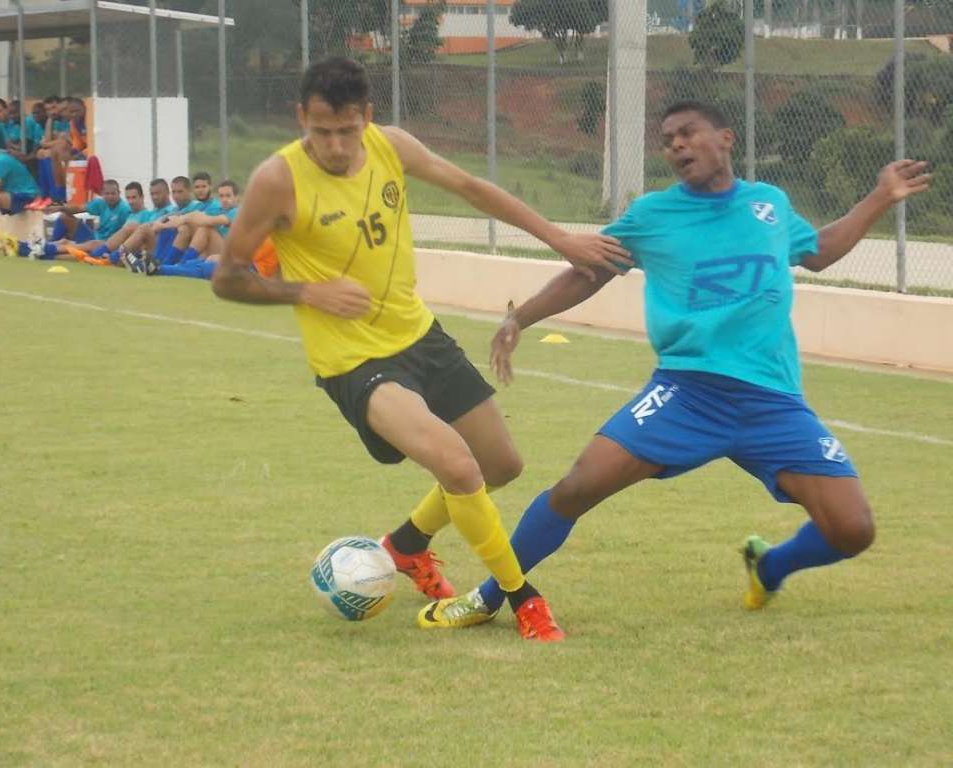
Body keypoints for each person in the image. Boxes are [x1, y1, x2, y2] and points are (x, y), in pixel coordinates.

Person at [421, 100, 933, 636]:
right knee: (577, 486)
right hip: (687, 393)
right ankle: (487, 596)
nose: (677, 146)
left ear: (726, 138)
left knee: (853, 530)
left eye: (689, 134)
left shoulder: (770, 205)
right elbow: (589, 272)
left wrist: (881, 196)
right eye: (668, 140)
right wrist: (520, 317)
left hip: (773, 402)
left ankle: (770, 567)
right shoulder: (653, 215)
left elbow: (821, 250)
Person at [211, 57, 630, 642]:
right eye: (321, 131)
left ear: (368, 118)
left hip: (418, 335)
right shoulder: (276, 181)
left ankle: (406, 546)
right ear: (301, 117)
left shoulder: (392, 146)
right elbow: (227, 277)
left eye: (347, 130)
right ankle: (522, 598)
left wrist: (562, 239)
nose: (335, 146)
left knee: (499, 466)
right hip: (353, 362)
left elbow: (472, 187)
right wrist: (308, 291)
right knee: (458, 466)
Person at [0, 179, 130, 260]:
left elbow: (127, 234)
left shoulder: (124, 209)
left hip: (106, 245)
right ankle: (47, 245)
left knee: (80, 247)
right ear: (102, 194)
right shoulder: (100, 203)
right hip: (94, 239)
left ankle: (27, 248)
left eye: (113, 193)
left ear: (119, 193)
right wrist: (60, 208)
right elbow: (78, 209)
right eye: (107, 193)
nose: (110, 196)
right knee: (65, 217)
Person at [146, 179, 243, 279]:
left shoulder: (237, 211)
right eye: (221, 196)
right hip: (217, 250)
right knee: (185, 228)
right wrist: (168, 223)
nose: (224, 199)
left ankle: (171, 265)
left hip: (231, 255)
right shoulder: (218, 209)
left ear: (236, 197)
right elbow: (195, 215)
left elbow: (210, 221)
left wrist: (181, 220)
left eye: (228, 196)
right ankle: (160, 265)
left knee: (205, 228)